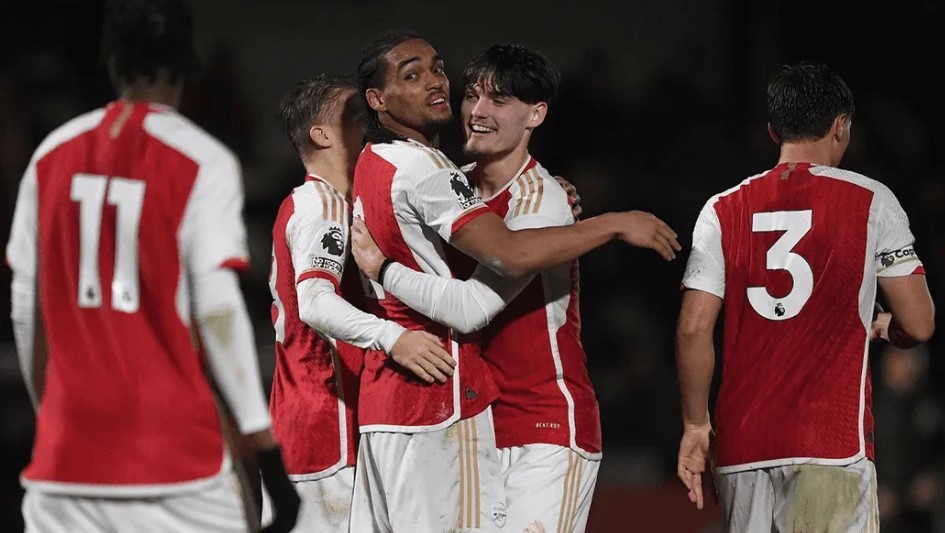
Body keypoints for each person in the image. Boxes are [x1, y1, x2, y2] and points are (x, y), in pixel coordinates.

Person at [348, 30, 680, 532]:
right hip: (478, 422)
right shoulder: (450, 184)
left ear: (536, 115)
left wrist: (382, 270)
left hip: (546, 423)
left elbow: (470, 308)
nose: (477, 110)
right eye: (474, 94)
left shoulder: (541, 199)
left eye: (499, 99)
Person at [5, 0, 300, 531]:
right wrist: (261, 438)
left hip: (64, 469)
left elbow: (27, 308)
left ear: (111, 63)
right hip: (172, 466)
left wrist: (56, 412)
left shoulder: (50, 154)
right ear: (187, 65)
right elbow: (216, 309)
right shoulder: (200, 158)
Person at [675, 61, 935, 532]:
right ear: (841, 127)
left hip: (743, 449)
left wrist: (696, 425)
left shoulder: (720, 209)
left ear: (773, 130)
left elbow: (693, 326)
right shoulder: (872, 200)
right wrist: (886, 327)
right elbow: (919, 324)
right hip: (830, 446)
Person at [264, 74, 456, 532]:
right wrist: (394, 338)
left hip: (324, 420)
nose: (369, 125)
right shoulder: (322, 208)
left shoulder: (344, 203)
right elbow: (314, 302)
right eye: (355, 117)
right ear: (321, 135)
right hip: (327, 424)